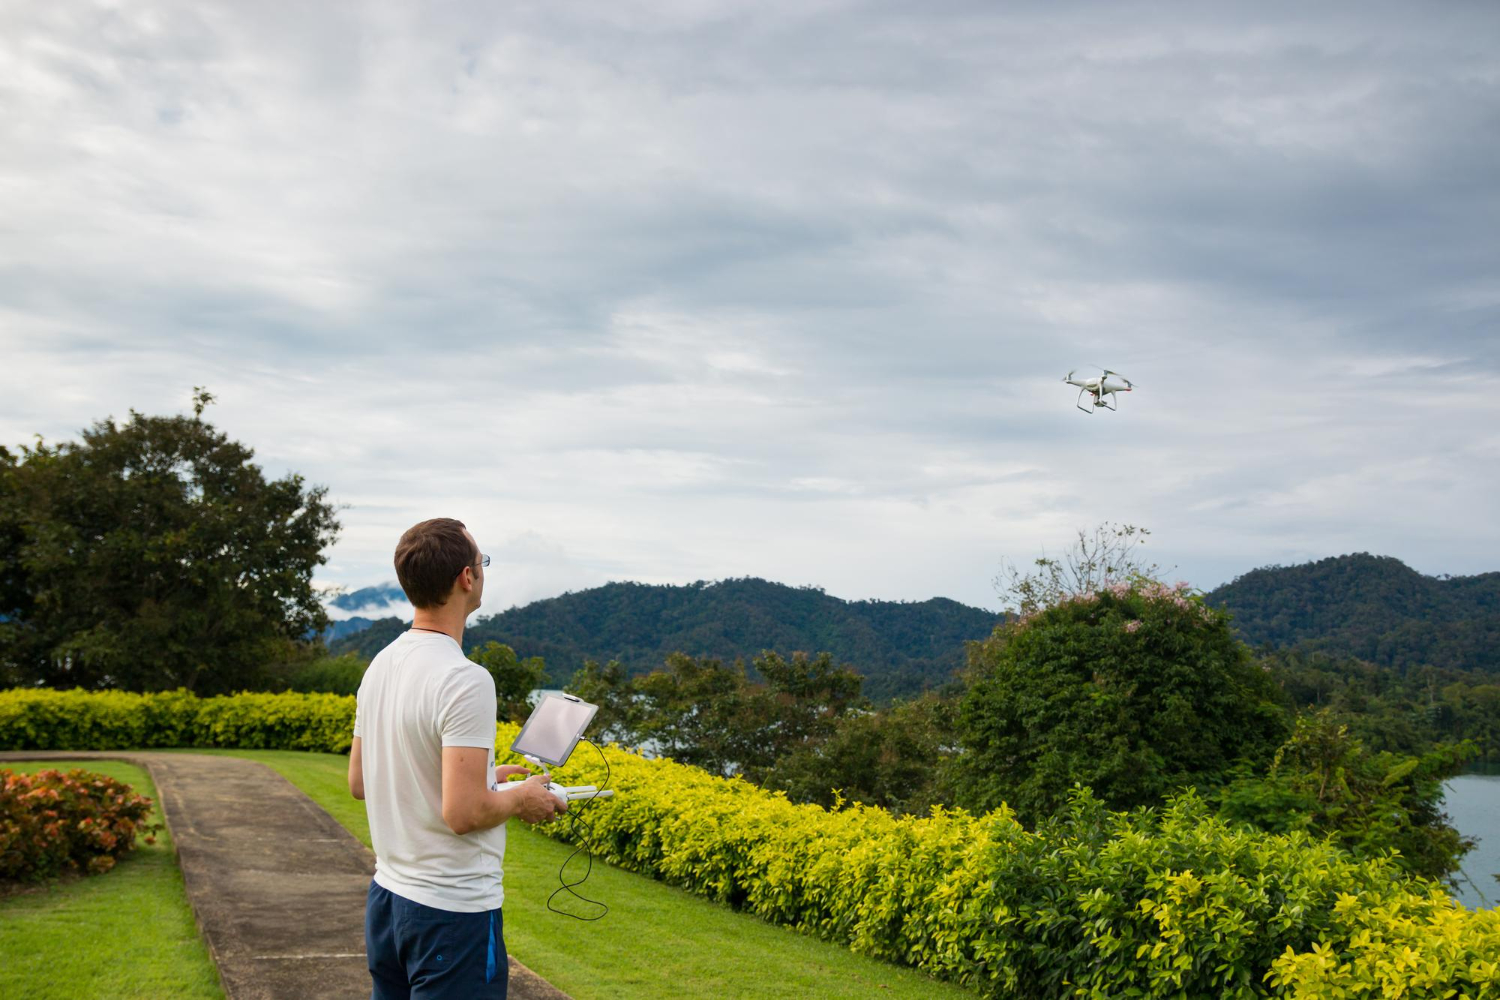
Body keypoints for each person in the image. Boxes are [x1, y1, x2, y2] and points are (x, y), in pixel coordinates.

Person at [348, 517, 567, 999]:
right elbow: (464, 813)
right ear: (466, 578)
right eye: (481, 562)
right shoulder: (465, 678)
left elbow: (362, 780)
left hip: (388, 901)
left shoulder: (381, 664)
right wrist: (522, 798)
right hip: (451, 912)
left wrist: (487, 778)